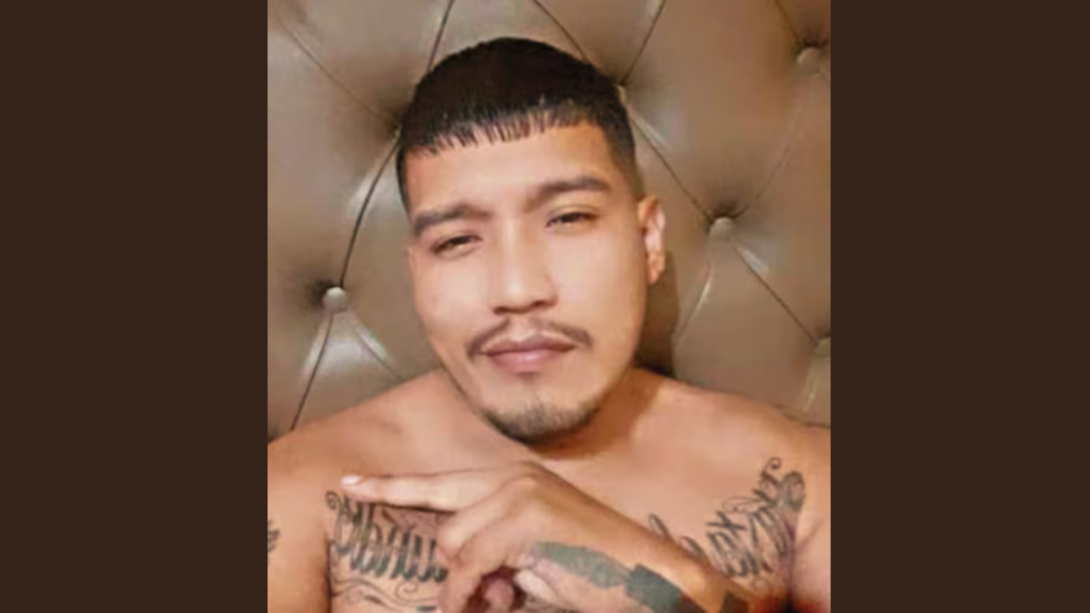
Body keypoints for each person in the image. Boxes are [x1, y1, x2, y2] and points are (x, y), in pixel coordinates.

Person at [268, 38, 830, 613]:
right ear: (417, 273)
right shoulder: (295, 495)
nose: (517, 291)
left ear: (647, 242)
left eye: (568, 219)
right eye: (457, 241)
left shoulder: (802, 480)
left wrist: (652, 584)